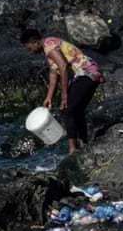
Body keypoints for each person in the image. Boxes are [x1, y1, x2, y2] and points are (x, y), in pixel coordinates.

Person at [21, 25, 101, 154]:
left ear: (34, 42)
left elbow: (63, 66)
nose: (29, 51)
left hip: (86, 73)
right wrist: (49, 97)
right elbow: (54, 74)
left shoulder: (49, 45)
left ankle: (72, 149)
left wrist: (64, 95)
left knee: (67, 110)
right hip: (89, 73)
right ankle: (84, 143)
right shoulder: (49, 48)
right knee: (76, 110)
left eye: (29, 47)